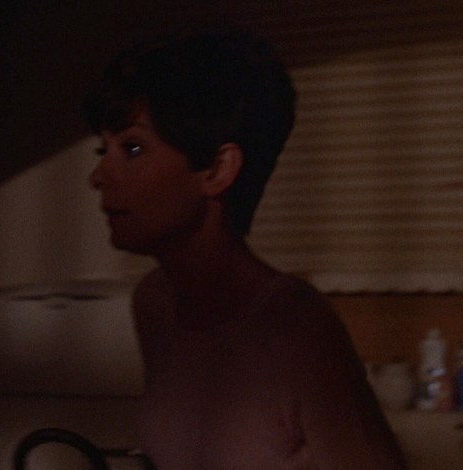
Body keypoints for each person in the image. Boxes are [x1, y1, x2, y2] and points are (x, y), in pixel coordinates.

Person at [84, 30, 407, 469]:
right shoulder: (154, 305)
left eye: (132, 148)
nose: (98, 176)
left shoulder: (295, 329)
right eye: (103, 149)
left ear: (218, 169)